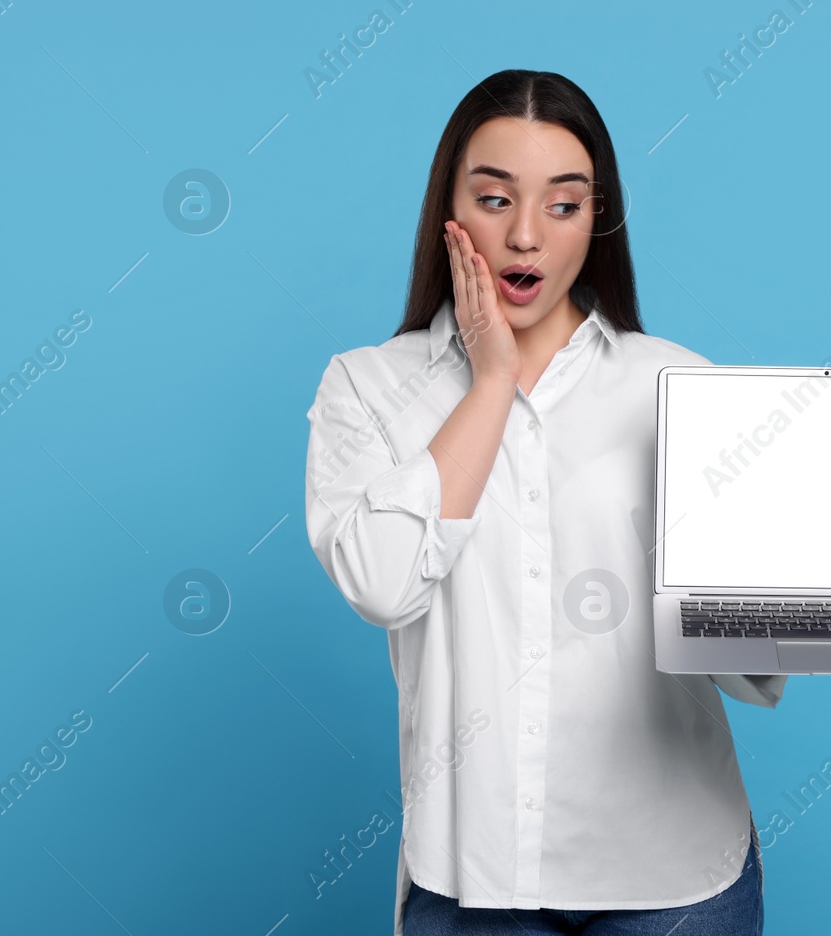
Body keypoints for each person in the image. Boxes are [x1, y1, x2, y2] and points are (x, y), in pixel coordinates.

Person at [304, 69, 785, 935]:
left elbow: (748, 667)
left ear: (597, 219)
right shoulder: (368, 387)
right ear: (447, 208)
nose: (525, 236)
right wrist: (490, 382)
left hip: (673, 875)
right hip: (473, 879)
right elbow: (382, 583)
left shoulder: (678, 385)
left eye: (564, 205)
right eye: (495, 199)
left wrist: (815, 589)